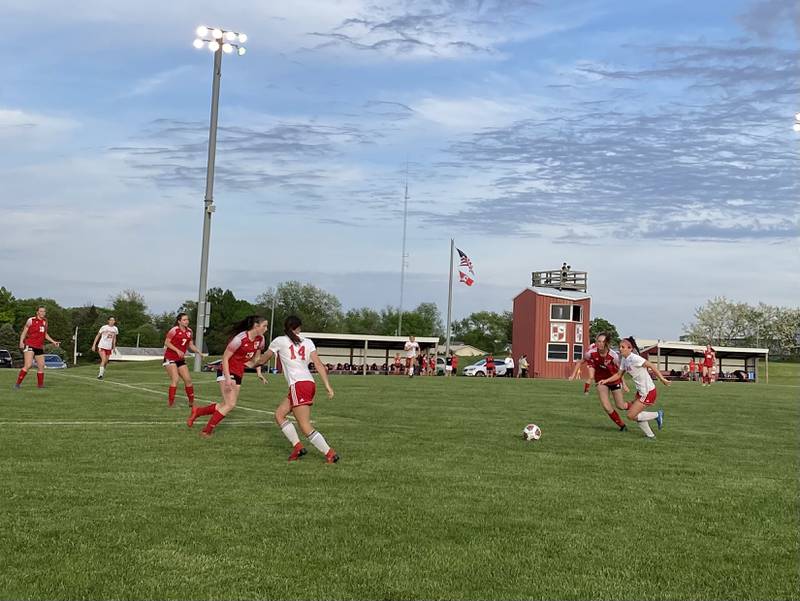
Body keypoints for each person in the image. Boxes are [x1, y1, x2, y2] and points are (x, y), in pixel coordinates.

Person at [257, 315, 338, 463]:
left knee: (304, 425)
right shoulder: (307, 342)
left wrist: (249, 364)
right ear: (298, 328)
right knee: (279, 414)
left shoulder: (279, 341)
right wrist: (327, 385)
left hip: (298, 385)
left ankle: (330, 453)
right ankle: (298, 447)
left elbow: (264, 359)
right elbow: (319, 364)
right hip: (308, 383)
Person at [187, 315, 268, 438]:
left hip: (239, 372)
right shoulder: (239, 339)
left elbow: (256, 358)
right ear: (256, 326)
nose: (266, 329)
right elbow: (225, 358)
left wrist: (259, 373)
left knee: (225, 404)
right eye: (264, 326)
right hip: (226, 370)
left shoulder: (261, 339)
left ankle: (198, 411)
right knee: (231, 404)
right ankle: (206, 431)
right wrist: (228, 377)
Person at [599, 337, 670, 440]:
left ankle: (657, 415)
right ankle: (651, 436)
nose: (620, 349)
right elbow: (619, 375)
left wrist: (662, 379)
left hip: (648, 392)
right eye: (620, 347)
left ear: (630, 349)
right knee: (636, 414)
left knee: (631, 415)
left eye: (623, 347)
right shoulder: (624, 359)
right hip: (641, 392)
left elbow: (651, 366)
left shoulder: (635, 358)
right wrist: (606, 381)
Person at [569, 332, 630, 431]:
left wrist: (624, 384)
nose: (600, 343)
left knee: (621, 406)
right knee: (606, 406)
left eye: (603, 342)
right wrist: (573, 375)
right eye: (598, 341)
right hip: (601, 382)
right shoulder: (591, 353)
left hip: (614, 381)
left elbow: (620, 372)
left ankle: (636, 407)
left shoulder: (613, 356)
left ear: (607, 343)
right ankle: (622, 426)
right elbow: (580, 362)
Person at [15, 306, 60, 389]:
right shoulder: (31, 320)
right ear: (37, 312)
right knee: (28, 365)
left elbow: (45, 334)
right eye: (41, 311)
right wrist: (21, 342)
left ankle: (40, 385)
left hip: (39, 347)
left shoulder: (45, 322)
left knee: (41, 366)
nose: (43, 313)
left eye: (44, 311)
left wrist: (53, 341)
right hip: (30, 345)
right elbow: (24, 332)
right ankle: (17, 384)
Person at [162, 312, 202, 407]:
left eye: (187, 319)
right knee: (175, 379)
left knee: (188, 380)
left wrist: (198, 352)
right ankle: (171, 403)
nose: (186, 321)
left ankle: (191, 402)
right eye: (184, 320)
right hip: (170, 358)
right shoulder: (174, 330)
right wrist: (177, 350)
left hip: (180, 359)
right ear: (179, 321)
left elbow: (190, 345)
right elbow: (167, 343)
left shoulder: (189, 332)